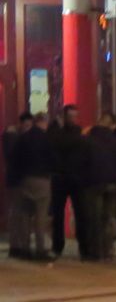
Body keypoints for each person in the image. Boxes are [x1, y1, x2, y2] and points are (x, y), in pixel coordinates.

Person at [84, 115, 116, 264]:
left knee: (95, 218)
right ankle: (108, 251)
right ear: (111, 125)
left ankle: (97, 252)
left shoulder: (88, 140)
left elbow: (81, 162)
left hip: (94, 183)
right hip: (113, 184)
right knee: (107, 219)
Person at [48, 105, 97, 260]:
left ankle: (64, 247)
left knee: (74, 214)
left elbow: (55, 143)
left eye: (74, 116)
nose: (73, 119)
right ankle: (81, 248)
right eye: (71, 116)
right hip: (69, 177)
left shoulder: (61, 134)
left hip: (68, 177)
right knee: (73, 214)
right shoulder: (80, 135)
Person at [9, 112, 54, 261]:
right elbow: (53, 159)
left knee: (25, 216)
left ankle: (25, 248)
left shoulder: (23, 138)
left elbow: (14, 158)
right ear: (44, 122)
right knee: (41, 216)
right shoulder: (47, 139)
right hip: (42, 180)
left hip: (26, 180)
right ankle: (40, 249)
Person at [4, 112, 28, 259]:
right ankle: (18, 245)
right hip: (18, 180)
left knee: (16, 212)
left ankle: (17, 245)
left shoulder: (11, 136)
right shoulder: (15, 138)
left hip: (14, 179)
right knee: (18, 213)